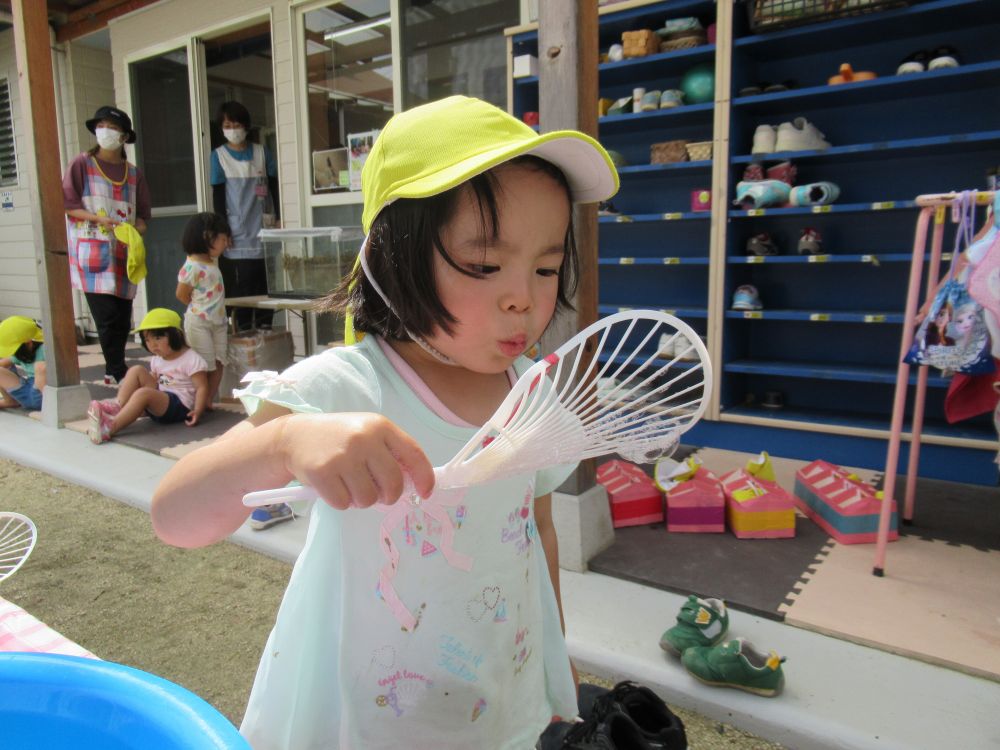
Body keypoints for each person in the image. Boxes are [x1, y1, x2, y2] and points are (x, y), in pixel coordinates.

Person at [150, 95, 618, 749]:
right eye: (485, 265)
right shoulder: (349, 388)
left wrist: (553, 655)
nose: (526, 297)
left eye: (546, 267)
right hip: (367, 716)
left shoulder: (528, 391)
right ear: (393, 257)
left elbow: (535, 526)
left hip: (499, 697)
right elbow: (173, 515)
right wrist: (285, 441)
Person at [63, 105, 152, 384]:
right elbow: (68, 205)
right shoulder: (82, 164)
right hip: (92, 254)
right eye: (102, 126)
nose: (106, 132)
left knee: (123, 318)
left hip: (124, 255)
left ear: (124, 137)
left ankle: (117, 367)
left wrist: (133, 230)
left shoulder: (134, 174)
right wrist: (99, 220)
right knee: (107, 317)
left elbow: (143, 217)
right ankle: (115, 370)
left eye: (112, 128)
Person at [88, 308, 208, 445]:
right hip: (162, 397)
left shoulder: (191, 359)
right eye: (147, 340)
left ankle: (110, 427)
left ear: (176, 335)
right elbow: (160, 379)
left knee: (143, 394)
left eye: (158, 338)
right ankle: (117, 406)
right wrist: (148, 379)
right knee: (136, 370)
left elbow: (202, 387)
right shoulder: (158, 359)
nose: (153, 345)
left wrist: (198, 410)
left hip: (180, 406)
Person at [210, 101, 279, 332]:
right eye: (227, 124)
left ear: (246, 126)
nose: (233, 129)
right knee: (242, 289)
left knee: (265, 286)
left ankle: (265, 333)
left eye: (236, 124)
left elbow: (274, 186)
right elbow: (218, 196)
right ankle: (243, 335)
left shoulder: (261, 152)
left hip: (263, 227)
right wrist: (222, 230)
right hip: (236, 233)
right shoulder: (218, 156)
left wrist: (278, 216)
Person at [176, 212, 231, 405]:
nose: (226, 243)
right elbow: (181, 294)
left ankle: (207, 400)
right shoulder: (192, 266)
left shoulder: (211, 262)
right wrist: (201, 309)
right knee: (203, 364)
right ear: (207, 236)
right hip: (199, 322)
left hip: (219, 321)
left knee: (219, 361)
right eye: (223, 239)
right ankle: (197, 402)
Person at [0, 316, 46, 412]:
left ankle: (50, 407)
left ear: (29, 343)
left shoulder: (44, 349)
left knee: (40, 367)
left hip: (41, 394)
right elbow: (4, 363)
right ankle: (10, 401)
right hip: (25, 392)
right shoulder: (21, 353)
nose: (14, 353)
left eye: (14, 350)